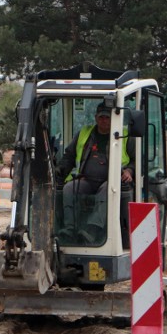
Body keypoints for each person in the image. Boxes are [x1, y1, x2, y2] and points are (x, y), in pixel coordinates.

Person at [56, 102, 134, 240]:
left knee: (108, 190)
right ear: (96, 118)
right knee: (69, 189)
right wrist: (59, 171)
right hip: (87, 180)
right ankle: (70, 228)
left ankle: (91, 230)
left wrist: (129, 171)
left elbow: (136, 160)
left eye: (108, 117)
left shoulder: (125, 136)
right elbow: (69, 156)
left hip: (111, 181)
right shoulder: (84, 134)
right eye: (101, 117)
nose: (104, 120)